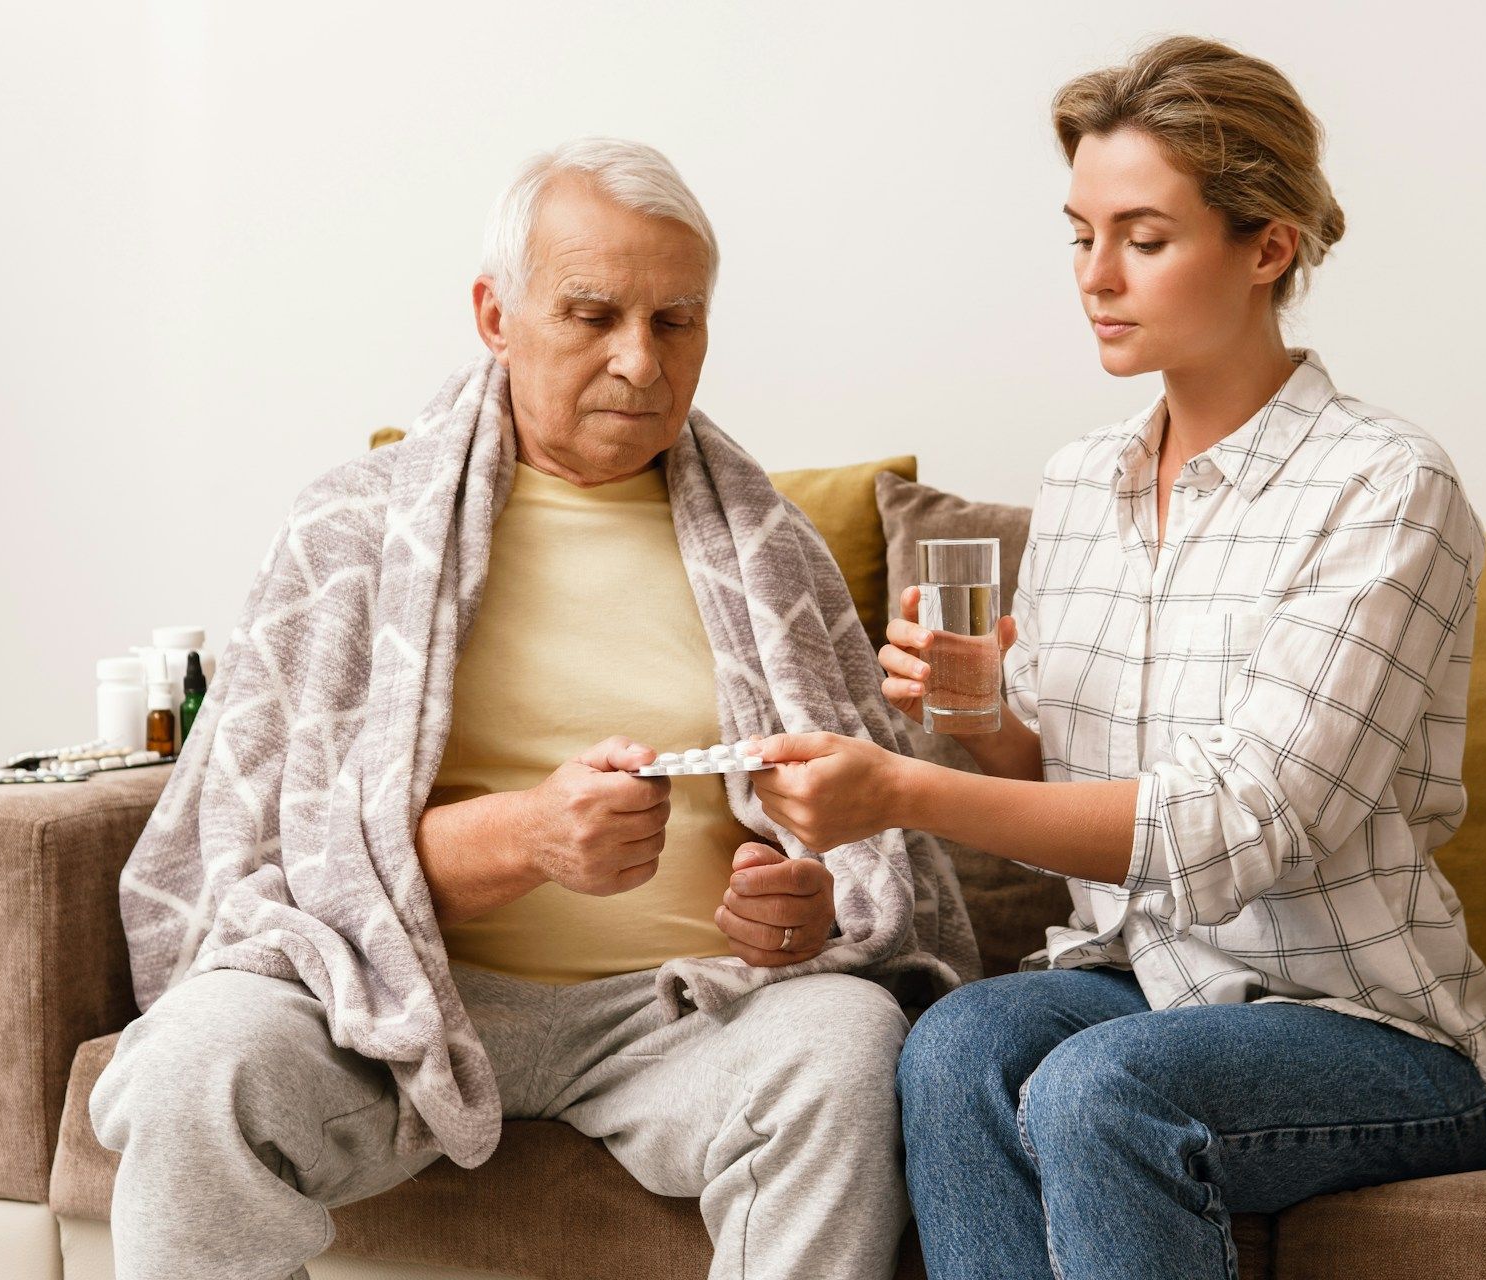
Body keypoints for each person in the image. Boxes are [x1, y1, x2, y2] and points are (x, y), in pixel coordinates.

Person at [93, 138, 975, 1280]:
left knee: (847, 1043)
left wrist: (809, 908)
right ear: (494, 314)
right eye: (593, 313)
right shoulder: (351, 536)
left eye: (675, 321)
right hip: (382, 997)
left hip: (683, 1013)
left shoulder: (779, 557)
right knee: (194, 1064)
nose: (639, 361)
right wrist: (520, 838)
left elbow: (867, 854)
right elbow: (258, 858)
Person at [751, 36, 1486, 1280]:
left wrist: (903, 789)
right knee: (954, 1045)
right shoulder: (1080, 480)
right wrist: (978, 714)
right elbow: (1064, 772)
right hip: (1137, 978)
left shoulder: (1387, 486)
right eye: (1080, 235)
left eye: (1145, 238)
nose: (1095, 277)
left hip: (1358, 1019)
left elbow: (1241, 821)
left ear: (1266, 245)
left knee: (1099, 1087)